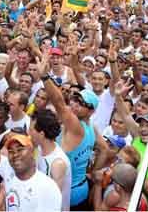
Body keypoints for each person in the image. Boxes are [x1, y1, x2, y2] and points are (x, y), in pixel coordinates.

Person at [44, 78, 98, 210]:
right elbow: (105, 150)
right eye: (75, 99)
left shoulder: (76, 127)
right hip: (82, 186)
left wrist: (45, 77)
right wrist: (92, 171)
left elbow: (59, 103)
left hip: (68, 193)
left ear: (91, 111)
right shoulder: (92, 127)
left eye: (82, 103)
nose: (75, 104)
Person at [29, 109, 72, 211]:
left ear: (42, 134)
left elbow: (53, 202)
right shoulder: (39, 148)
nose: (28, 132)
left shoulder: (57, 164)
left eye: (31, 130)